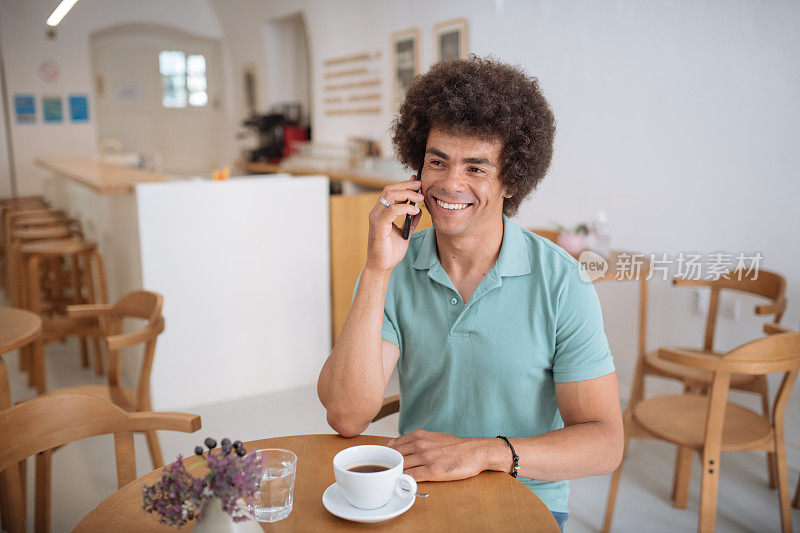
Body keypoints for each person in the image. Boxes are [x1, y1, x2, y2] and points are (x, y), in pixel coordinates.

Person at [317, 56, 623, 530]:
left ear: (512, 180)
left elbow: (605, 442)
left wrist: (484, 453)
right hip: (417, 495)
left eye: (476, 168)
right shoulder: (392, 266)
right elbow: (346, 416)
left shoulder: (561, 282)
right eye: (437, 160)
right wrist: (377, 270)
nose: (449, 183)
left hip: (525, 499)